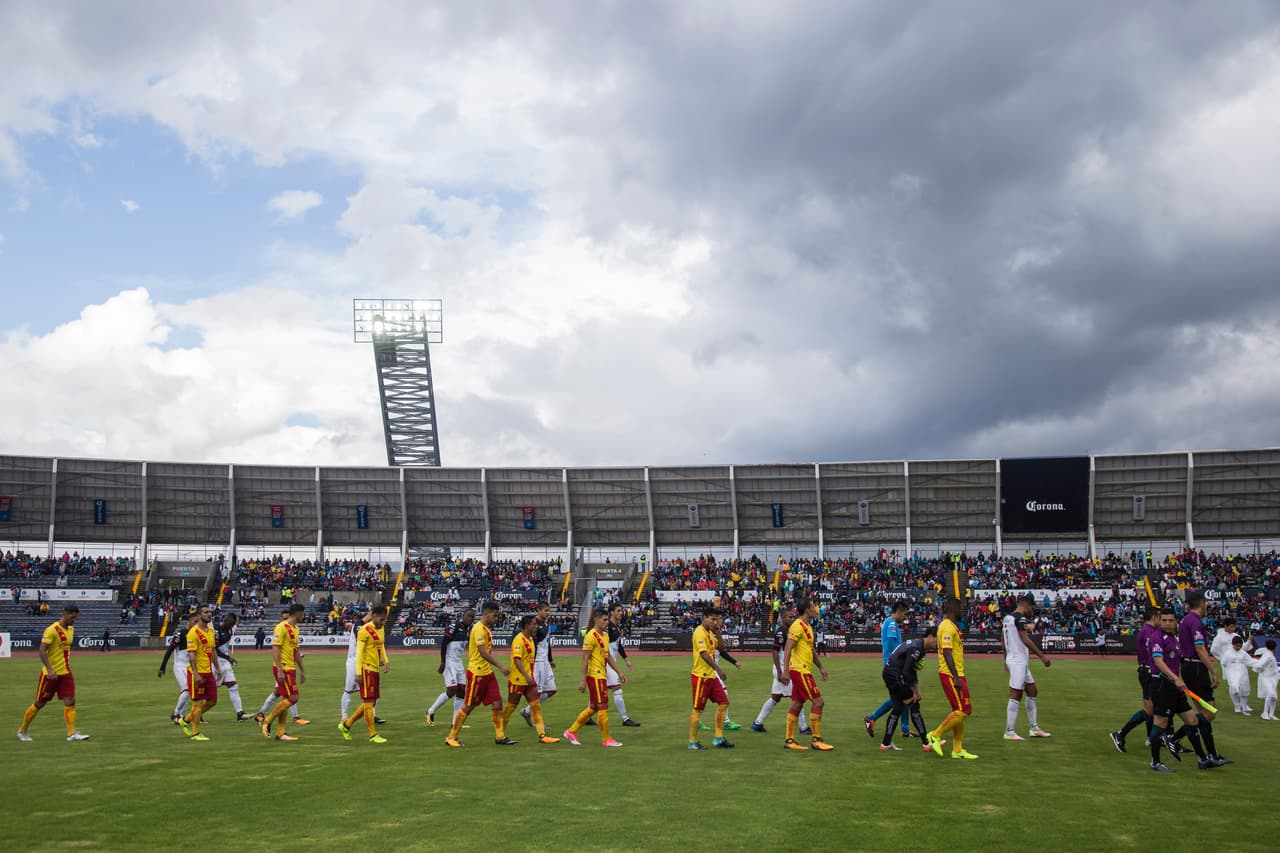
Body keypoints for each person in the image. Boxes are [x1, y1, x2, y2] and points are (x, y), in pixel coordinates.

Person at [1147, 608, 1218, 771]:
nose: (1167, 623)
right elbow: (1158, 661)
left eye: (1170, 620)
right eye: (1164, 620)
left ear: (1176, 622)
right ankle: (1155, 762)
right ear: (1159, 620)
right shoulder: (1156, 637)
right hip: (1162, 684)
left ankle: (1202, 759)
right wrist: (1176, 678)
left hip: (1174, 686)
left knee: (1192, 720)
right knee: (1160, 722)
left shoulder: (1174, 638)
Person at [1168, 592, 1230, 764]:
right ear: (1202, 603)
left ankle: (1212, 754)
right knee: (1210, 711)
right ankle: (1174, 738)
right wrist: (1214, 671)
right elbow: (1200, 649)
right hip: (1196, 668)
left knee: (1203, 712)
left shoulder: (1185, 620)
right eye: (1206, 603)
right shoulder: (1195, 621)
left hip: (1189, 667)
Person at [445, 601, 514, 747]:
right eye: (495, 615)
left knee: (497, 702)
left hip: (487, 672)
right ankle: (451, 737)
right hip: (477, 673)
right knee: (469, 705)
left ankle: (500, 736)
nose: (496, 618)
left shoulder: (485, 629)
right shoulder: (478, 629)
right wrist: (500, 666)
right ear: (486, 613)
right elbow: (482, 652)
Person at [16, 605, 89, 742]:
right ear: (65, 614)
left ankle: (71, 734)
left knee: (70, 701)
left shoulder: (71, 629)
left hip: (65, 673)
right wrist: (50, 670)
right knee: (39, 703)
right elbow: (42, 651)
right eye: (72, 617)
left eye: (76, 618)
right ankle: (22, 731)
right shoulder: (52, 630)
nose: (74, 620)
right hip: (50, 675)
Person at [563, 608, 626, 747]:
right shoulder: (590, 636)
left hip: (601, 674)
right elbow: (585, 659)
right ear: (596, 620)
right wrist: (583, 680)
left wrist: (619, 672)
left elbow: (608, 656)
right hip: (595, 675)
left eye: (607, 620)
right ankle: (606, 739)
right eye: (604, 620)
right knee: (603, 707)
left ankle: (571, 731)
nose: (607, 622)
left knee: (593, 707)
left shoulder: (605, 635)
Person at [925, 597, 977, 760]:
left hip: (957, 674)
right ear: (953, 609)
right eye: (960, 608)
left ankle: (957, 750)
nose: (962, 611)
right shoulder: (947, 626)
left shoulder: (951, 626)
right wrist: (955, 676)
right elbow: (947, 652)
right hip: (950, 674)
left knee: (958, 711)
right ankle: (935, 735)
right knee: (964, 710)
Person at [780, 598, 833, 751]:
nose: (815, 609)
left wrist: (821, 667)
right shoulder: (797, 626)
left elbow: (810, 650)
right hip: (800, 670)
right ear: (807, 610)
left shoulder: (808, 626)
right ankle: (816, 740)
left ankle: (789, 740)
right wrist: (785, 670)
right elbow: (788, 648)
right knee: (818, 702)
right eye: (812, 607)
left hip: (803, 670)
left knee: (797, 704)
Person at [879, 628, 940, 751]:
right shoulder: (916, 648)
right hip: (895, 675)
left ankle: (885, 744)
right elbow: (907, 672)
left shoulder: (918, 646)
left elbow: (911, 671)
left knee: (898, 708)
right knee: (914, 706)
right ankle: (926, 743)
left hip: (889, 673)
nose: (939, 643)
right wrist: (915, 692)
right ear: (930, 637)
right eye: (937, 640)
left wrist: (917, 690)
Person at [751, 605, 808, 734]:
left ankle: (757, 723)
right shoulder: (781, 632)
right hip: (784, 669)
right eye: (790, 617)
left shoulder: (791, 630)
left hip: (784, 668)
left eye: (793, 617)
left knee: (775, 697)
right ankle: (803, 727)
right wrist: (780, 671)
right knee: (797, 698)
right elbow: (775, 651)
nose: (792, 619)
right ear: (783, 618)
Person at [502, 615, 559, 744]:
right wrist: (527, 676)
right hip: (518, 680)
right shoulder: (518, 640)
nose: (536, 626)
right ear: (527, 626)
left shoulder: (531, 640)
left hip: (529, 681)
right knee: (511, 707)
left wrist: (530, 676)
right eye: (533, 624)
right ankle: (500, 734)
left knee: (536, 706)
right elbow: (517, 660)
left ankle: (542, 736)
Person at [1001, 595, 1052, 740]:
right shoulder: (1019, 618)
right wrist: (1042, 656)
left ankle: (1034, 729)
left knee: (1032, 691)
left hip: (1017, 660)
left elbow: (1003, 638)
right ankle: (1009, 731)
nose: (1031, 611)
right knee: (1016, 694)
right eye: (1031, 608)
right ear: (1026, 605)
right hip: (1018, 661)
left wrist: (1005, 659)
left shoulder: (1008, 618)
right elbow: (1025, 639)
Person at [688, 607, 740, 750]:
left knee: (723, 703)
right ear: (704, 618)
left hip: (711, 676)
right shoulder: (699, 632)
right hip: (701, 677)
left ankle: (718, 738)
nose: (715, 622)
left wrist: (718, 633)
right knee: (698, 710)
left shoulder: (710, 633)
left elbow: (721, 649)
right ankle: (692, 742)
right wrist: (718, 669)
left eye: (717, 619)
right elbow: (704, 654)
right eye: (712, 619)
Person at [1110, 608, 1160, 753]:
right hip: (1148, 672)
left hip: (1147, 671)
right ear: (1154, 617)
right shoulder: (1149, 632)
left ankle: (1151, 737)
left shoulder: (1147, 631)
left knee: (1153, 707)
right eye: (1160, 618)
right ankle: (1121, 733)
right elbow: (1153, 652)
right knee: (1149, 709)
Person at [340, 606, 389, 744]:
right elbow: (359, 653)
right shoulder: (364, 631)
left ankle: (346, 725)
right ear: (373, 616)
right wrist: (358, 672)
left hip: (375, 669)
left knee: (371, 702)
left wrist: (385, 660)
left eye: (385, 620)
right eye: (381, 619)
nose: (383, 622)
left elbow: (381, 645)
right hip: (366, 669)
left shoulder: (381, 629)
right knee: (368, 702)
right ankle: (373, 734)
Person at [863, 602, 911, 740]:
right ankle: (871, 718)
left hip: (894, 665)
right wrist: (904, 653)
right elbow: (891, 643)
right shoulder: (891, 623)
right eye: (904, 613)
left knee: (904, 695)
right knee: (899, 697)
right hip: (893, 666)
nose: (904, 617)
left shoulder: (891, 623)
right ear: (899, 611)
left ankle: (905, 729)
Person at [255, 609, 309, 728]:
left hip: (289, 667)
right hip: (283, 668)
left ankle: (271, 722)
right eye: (284, 618)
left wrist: (302, 670)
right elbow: (276, 648)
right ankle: (270, 718)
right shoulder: (281, 628)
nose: (286, 620)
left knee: (282, 695)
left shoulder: (295, 629)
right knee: (289, 695)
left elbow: (295, 650)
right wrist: (280, 669)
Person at [179, 604, 220, 741]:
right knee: (197, 703)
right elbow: (191, 655)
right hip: (197, 673)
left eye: (210, 612)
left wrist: (218, 668)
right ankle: (195, 733)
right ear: (199, 615)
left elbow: (213, 651)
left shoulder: (211, 631)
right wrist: (196, 674)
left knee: (212, 701)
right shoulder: (193, 633)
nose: (209, 614)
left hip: (208, 672)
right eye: (205, 612)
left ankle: (186, 719)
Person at [426, 608, 473, 726]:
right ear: (463, 615)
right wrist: (443, 662)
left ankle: (455, 722)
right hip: (450, 662)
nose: (470, 618)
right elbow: (444, 643)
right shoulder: (454, 626)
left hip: (459, 662)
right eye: (468, 616)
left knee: (461, 691)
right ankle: (430, 711)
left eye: (472, 617)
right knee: (452, 690)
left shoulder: (468, 630)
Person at [520, 602, 557, 729]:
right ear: (539, 610)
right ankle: (537, 722)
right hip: (538, 662)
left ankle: (527, 710)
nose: (548, 613)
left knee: (551, 690)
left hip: (545, 661)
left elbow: (547, 643)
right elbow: (532, 644)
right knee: (537, 692)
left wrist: (550, 659)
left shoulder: (545, 624)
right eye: (546, 610)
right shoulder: (534, 625)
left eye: (549, 610)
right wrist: (532, 662)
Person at [159, 610, 198, 725]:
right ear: (189, 621)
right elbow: (169, 650)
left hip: (189, 667)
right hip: (179, 666)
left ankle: (180, 717)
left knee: (188, 692)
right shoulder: (180, 634)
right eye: (195, 621)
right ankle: (176, 713)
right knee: (187, 689)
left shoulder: (196, 634)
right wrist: (162, 667)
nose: (196, 624)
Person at [606, 603, 640, 727]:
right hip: (607, 663)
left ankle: (588, 716)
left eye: (621, 611)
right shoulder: (607, 627)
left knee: (599, 690)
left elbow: (618, 645)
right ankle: (625, 719)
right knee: (617, 689)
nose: (621, 613)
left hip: (610, 662)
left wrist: (626, 660)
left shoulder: (616, 626)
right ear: (611, 612)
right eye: (618, 611)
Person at [341, 611, 375, 723]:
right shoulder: (359, 626)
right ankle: (344, 717)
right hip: (354, 662)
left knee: (372, 690)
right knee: (348, 690)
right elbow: (361, 642)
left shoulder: (371, 627)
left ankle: (371, 714)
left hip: (367, 662)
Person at [215, 614, 249, 721]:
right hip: (215, 662)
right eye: (234, 622)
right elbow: (214, 650)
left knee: (233, 686)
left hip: (225, 663)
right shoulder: (217, 631)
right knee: (209, 689)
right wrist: (228, 657)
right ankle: (198, 713)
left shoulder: (230, 630)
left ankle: (240, 713)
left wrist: (227, 659)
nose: (234, 624)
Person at [1221, 635, 1255, 715]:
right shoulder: (1228, 653)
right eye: (1237, 646)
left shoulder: (1243, 653)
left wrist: (1260, 663)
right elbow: (1224, 663)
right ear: (1233, 644)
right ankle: (1236, 705)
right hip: (1232, 672)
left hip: (1243, 672)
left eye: (1240, 646)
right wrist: (1226, 674)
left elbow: (1250, 661)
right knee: (1234, 688)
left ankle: (1244, 707)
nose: (1238, 647)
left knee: (1245, 690)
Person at [1250, 639, 1278, 720]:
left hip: (1272, 677)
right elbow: (1259, 665)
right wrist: (1261, 671)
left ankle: (1271, 714)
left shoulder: (1268, 654)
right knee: (1270, 694)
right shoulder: (1268, 656)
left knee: (1274, 697)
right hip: (1266, 677)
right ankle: (1265, 713)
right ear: (1275, 647)